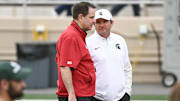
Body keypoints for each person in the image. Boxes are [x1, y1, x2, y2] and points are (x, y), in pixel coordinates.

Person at [86, 9, 132, 101]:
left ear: (111, 22)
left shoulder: (120, 40)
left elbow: (127, 68)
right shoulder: (88, 43)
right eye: (98, 22)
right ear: (94, 24)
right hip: (96, 97)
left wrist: (127, 92)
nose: (102, 25)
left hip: (121, 97)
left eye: (105, 21)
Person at [56, 2, 96, 101]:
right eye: (91, 17)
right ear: (81, 17)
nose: (94, 21)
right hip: (77, 95)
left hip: (82, 92)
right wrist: (71, 94)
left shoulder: (78, 34)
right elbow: (65, 67)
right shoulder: (71, 36)